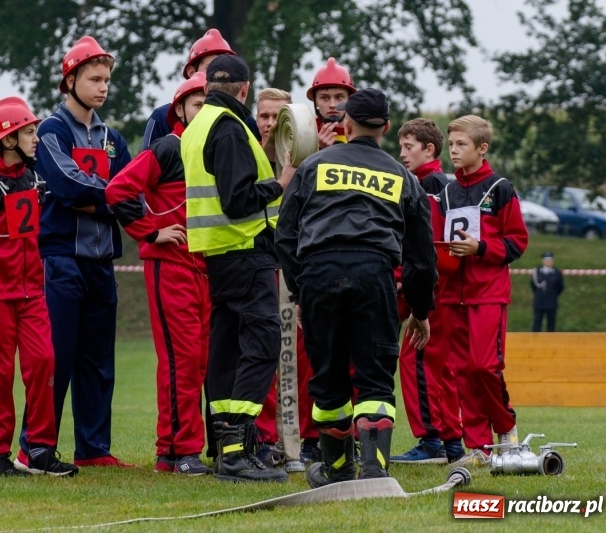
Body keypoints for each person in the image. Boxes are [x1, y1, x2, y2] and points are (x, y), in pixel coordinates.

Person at [275, 88, 437, 487]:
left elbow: (284, 235)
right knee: (375, 379)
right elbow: (421, 256)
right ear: (386, 127)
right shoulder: (403, 177)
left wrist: (300, 292)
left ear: (345, 124)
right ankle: (374, 468)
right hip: (374, 275)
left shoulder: (313, 167)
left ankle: (337, 469)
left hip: (318, 274)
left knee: (328, 378)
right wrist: (420, 311)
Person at [0, 97, 78, 477]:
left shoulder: (35, 178)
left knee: (43, 363)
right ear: (8, 140)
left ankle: (39, 450)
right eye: (29, 131)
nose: (36, 138)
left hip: (31, 292)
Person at [180, 54, 291, 482]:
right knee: (262, 343)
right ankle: (238, 449)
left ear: (207, 87)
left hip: (219, 255)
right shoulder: (228, 128)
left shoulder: (198, 126)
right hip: (245, 250)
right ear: (244, 89)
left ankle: (227, 449)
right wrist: (281, 182)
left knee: (225, 352)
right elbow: (238, 198)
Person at [24, 36, 133, 469]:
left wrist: (101, 199)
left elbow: (133, 194)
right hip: (60, 259)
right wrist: (112, 197)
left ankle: (93, 450)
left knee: (98, 360)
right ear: (70, 80)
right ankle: (35, 447)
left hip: (101, 261)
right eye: (94, 78)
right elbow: (66, 186)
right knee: (57, 356)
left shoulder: (113, 138)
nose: (103, 87)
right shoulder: (50, 130)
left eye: (106, 79)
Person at [106, 73, 212, 476]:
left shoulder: (213, 150)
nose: (203, 111)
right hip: (171, 268)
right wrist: (151, 231)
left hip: (204, 270)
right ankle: (182, 451)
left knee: (197, 362)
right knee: (181, 361)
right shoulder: (168, 147)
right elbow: (117, 190)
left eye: (209, 104)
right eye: (196, 104)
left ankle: (172, 453)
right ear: (180, 110)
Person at [439, 115, 528, 467]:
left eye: (462, 144)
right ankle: (478, 446)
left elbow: (517, 242)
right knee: (461, 370)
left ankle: (506, 427)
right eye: (452, 144)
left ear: (482, 148)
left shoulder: (501, 188)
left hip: (488, 292)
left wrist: (480, 248)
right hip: (451, 295)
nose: (454, 151)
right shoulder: (446, 190)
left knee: (483, 365)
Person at [252, 88, 322, 468]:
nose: (268, 124)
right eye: (263, 116)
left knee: (300, 361)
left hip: (295, 270)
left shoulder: (309, 163)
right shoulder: (246, 155)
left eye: (276, 117)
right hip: (256, 266)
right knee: (262, 356)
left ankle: (300, 441)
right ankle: (263, 439)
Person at [390, 118, 464, 465]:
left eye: (409, 147)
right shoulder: (432, 182)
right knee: (436, 366)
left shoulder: (429, 186)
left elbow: (428, 243)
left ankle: (432, 439)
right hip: (439, 286)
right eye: (401, 146)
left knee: (416, 360)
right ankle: (450, 443)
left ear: (429, 149)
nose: (402, 153)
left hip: (431, 288)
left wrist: (405, 276)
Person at [140, 29, 259, 150]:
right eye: (212, 69)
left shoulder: (245, 119)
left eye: (226, 71)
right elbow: (146, 165)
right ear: (192, 72)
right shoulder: (161, 118)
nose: (219, 77)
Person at [306, 58, 356, 149]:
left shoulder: (359, 134)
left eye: (339, 97)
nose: (332, 105)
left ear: (349, 99)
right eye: (325, 98)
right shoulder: (303, 134)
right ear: (315, 100)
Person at [531, 251, 564, 332]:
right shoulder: (537, 272)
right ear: (543, 261)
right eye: (546, 259)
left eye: (550, 260)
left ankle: (550, 342)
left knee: (551, 324)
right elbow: (533, 285)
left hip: (551, 302)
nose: (548, 261)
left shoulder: (557, 272)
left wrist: (553, 294)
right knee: (537, 323)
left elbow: (560, 287)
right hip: (539, 301)